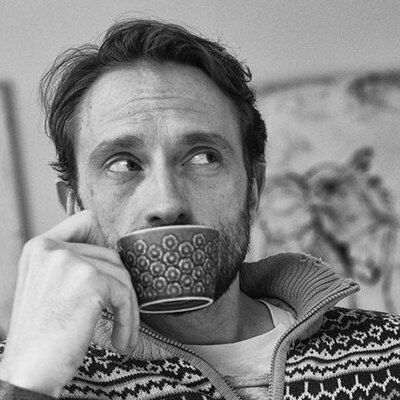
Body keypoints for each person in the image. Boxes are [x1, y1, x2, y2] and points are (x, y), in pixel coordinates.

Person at [0, 19, 399, 400]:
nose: (167, 204)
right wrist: (26, 381)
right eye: (123, 164)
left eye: (203, 157)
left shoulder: (389, 352)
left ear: (253, 188)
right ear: (74, 206)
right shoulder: (22, 374)